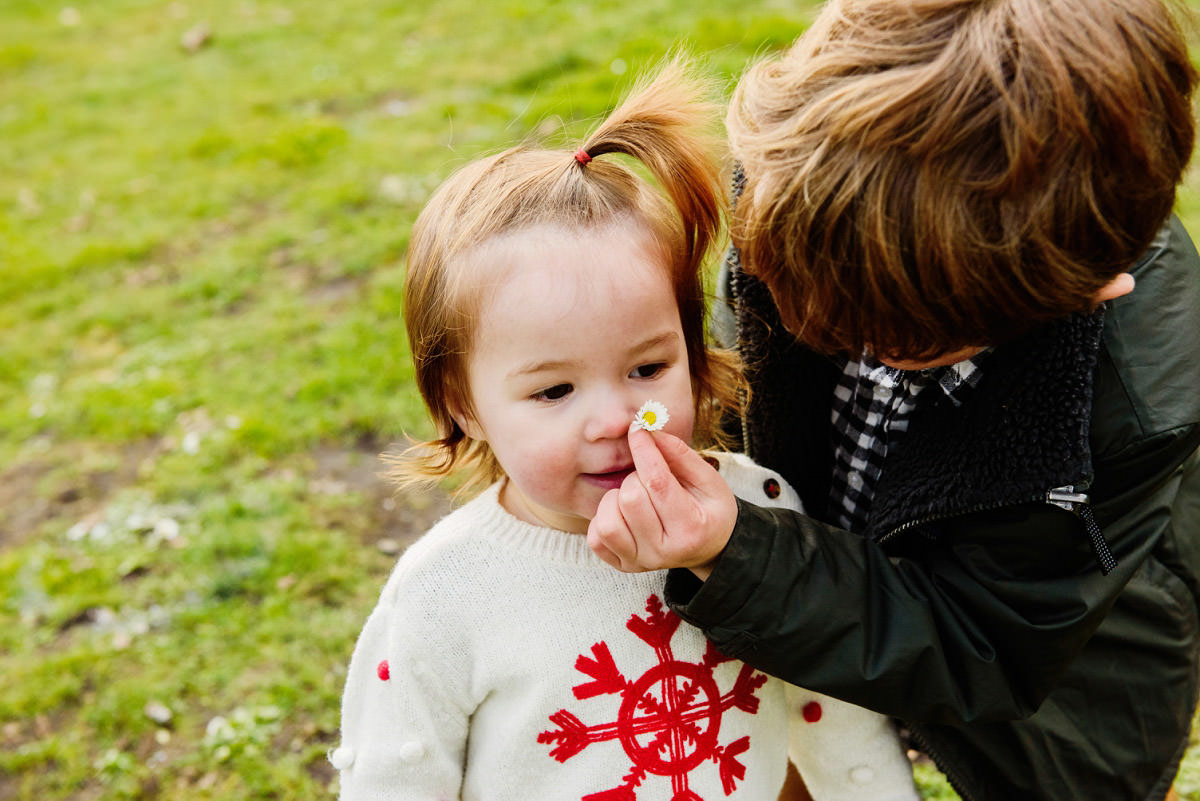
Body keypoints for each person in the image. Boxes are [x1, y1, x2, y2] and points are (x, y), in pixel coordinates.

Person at [586, 2, 1200, 800]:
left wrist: (740, 553)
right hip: (830, 580)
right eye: (789, 289)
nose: (826, 335)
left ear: (1085, 293)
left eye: (896, 337)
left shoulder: (1133, 403)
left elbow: (981, 639)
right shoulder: (799, 190)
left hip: (1053, 666)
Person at [330, 59, 919, 801]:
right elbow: (395, 780)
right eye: (554, 389)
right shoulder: (441, 596)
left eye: (647, 368)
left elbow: (831, 714)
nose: (615, 419)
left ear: (695, 350)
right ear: (463, 403)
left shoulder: (759, 515)